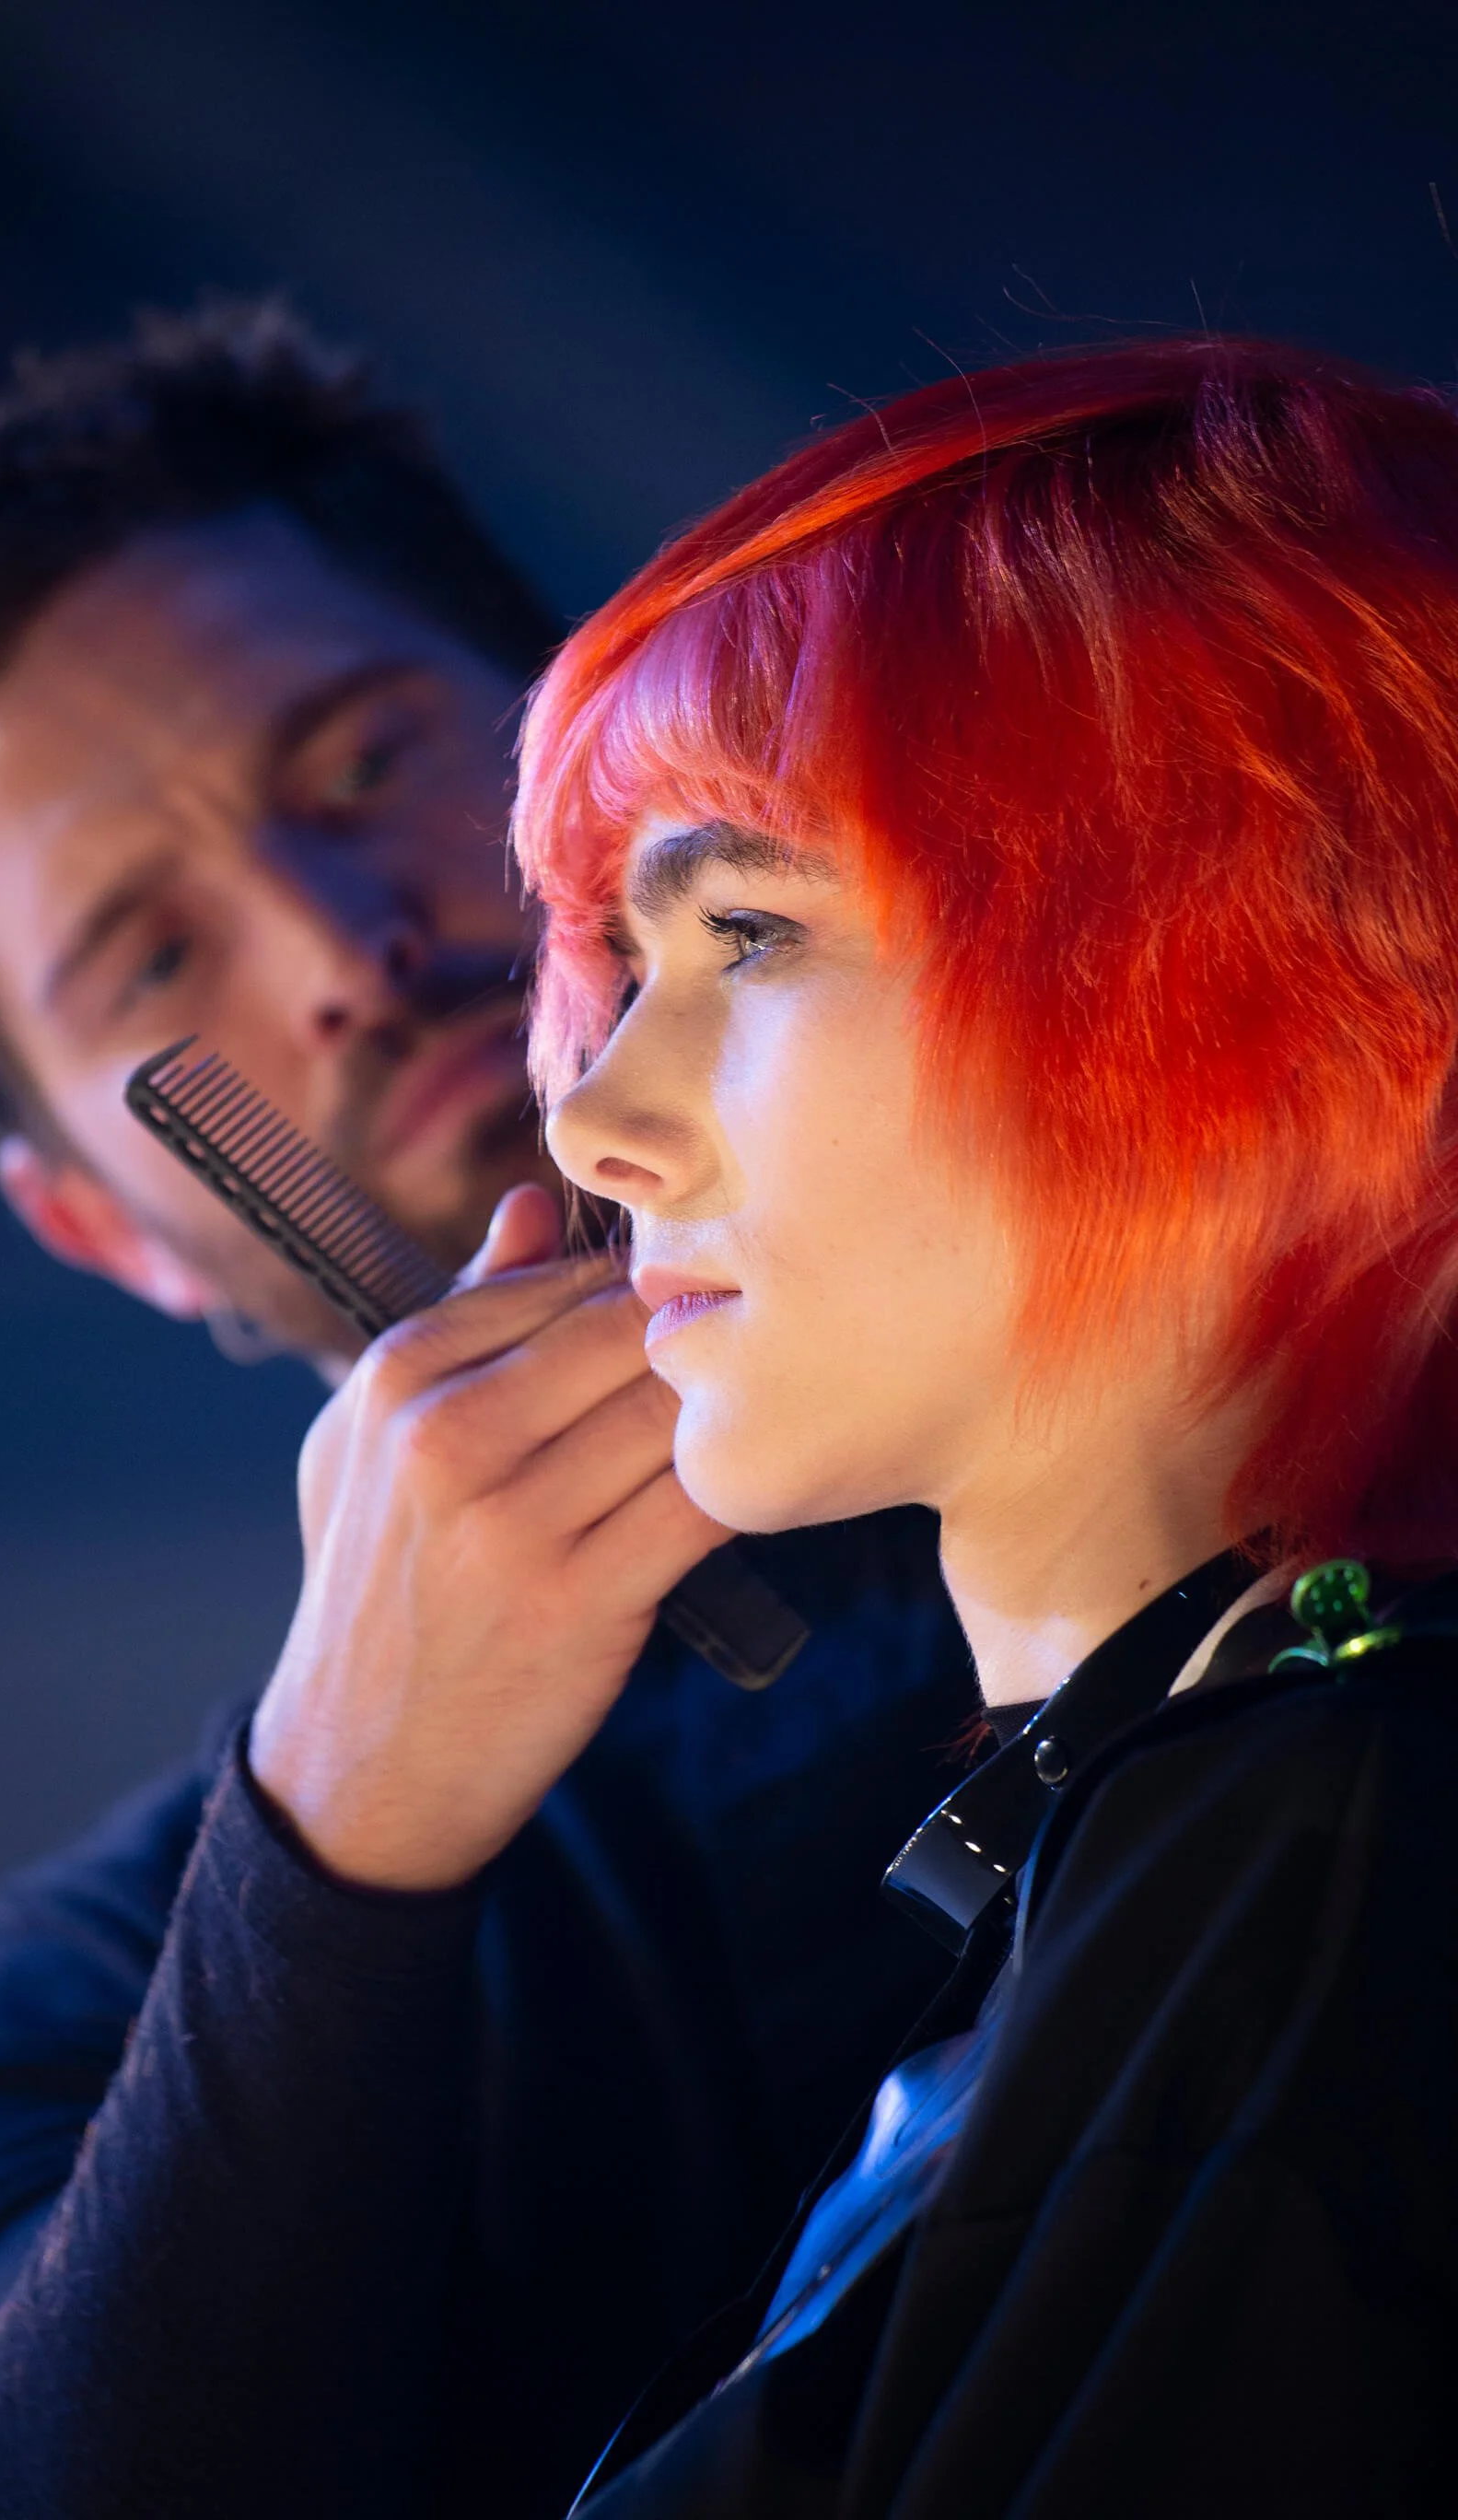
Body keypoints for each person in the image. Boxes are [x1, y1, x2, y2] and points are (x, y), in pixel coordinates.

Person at [0, 301, 975, 2518]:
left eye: (354, 767)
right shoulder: (86, 2005)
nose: (331, 945)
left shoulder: (1236, 1334)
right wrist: (342, 1830)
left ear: (595, 725)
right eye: (151, 963)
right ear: (99, 1233)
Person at [514, 334, 1458, 2514]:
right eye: (627, 967)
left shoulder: (1328, 1856)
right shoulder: (1218, 1851)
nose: (597, 1117)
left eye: (749, 928)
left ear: (1234, 952)